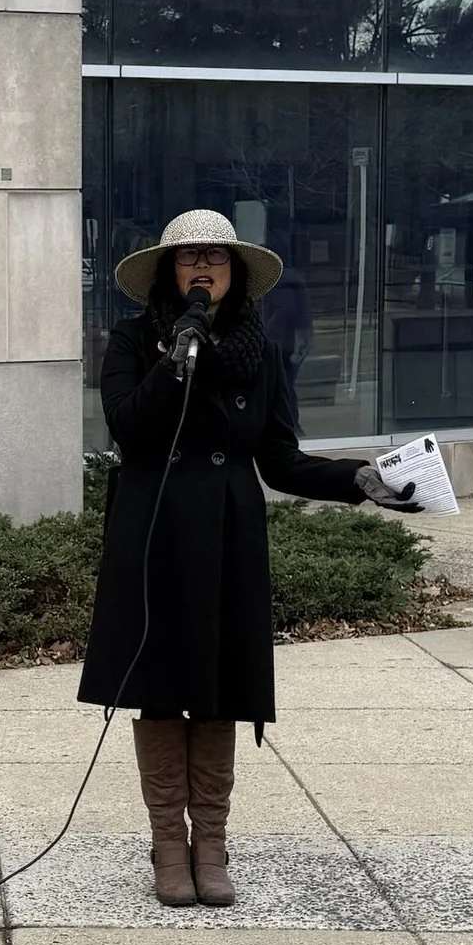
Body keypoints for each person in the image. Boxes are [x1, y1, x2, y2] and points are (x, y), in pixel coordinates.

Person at [79, 207, 416, 907]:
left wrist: (359, 480)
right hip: (155, 534)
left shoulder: (259, 351)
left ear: (235, 273)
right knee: (164, 689)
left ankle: (213, 844)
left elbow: (280, 457)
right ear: (170, 272)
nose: (203, 269)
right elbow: (129, 428)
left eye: (217, 259)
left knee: (218, 689)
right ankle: (167, 845)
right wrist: (177, 358)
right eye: (189, 258)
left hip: (228, 531)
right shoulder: (133, 338)